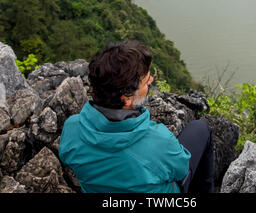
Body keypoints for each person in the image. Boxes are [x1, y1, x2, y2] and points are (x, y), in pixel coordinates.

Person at [59, 41, 214, 193]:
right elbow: (181, 170)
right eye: (146, 81)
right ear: (127, 98)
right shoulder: (158, 140)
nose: (151, 80)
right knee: (200, 128)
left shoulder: (72, 128)